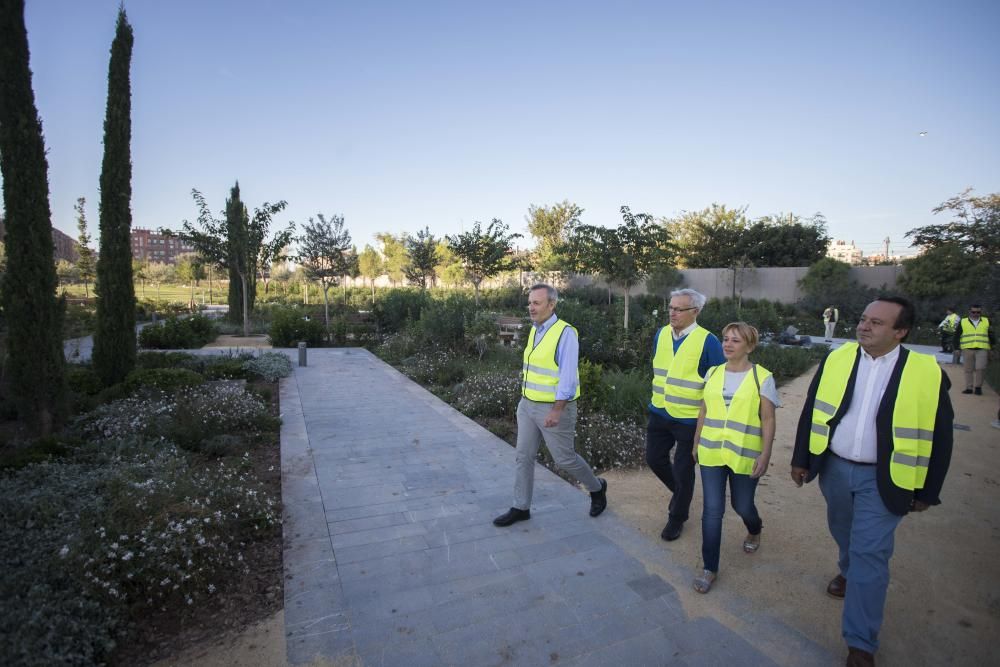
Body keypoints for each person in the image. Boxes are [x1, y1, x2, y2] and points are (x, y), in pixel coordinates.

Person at [791, 296, 954, 667]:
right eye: (863, 319)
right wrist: (802, 458)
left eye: (876, 323)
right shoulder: (837, 358)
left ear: (900, 331)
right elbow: (812, 407)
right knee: (843, 530)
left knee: (871, 553)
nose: (864, 326)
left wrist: (929, 490)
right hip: (834, 468)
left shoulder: (927, 372)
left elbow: (942, 435)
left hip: (886, 477)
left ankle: (860, 643)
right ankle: (848, 570)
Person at [493, 284, 607, 527]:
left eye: (536, 303)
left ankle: (597, 488)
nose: (531, 307)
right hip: (527, 405)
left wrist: (557, 409)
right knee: (523, 456)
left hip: (553, 409)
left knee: (564, 459)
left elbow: (567, 376)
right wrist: (523, 401)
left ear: (551, 305)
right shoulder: (536, 330)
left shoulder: (565, 333)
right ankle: (520, 506)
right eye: (530, 302)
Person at [691, 322, 779, 593]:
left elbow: (768, 418)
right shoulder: (713, 372)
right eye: (725, 339)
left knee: (743, 506)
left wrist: (765, 454)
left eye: (735, 341)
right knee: (712, 510)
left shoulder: (762, 377)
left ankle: (755, 528)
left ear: (750, 346)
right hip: (712, 452)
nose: (727, 344)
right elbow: (704, 411)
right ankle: (709, 568)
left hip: (744, 454)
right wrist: (696, 443)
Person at [646, 288, 725, 541]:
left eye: (679, 309)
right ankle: (682, 493)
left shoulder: (708, 341)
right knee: (654, 460)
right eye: (671, 307)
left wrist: (711, 422)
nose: (673, 313)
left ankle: (677, 517)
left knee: (683, 470)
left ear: (696, 312)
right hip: (659, 411)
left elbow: (718, 383)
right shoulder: (661, 334)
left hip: (690, 419)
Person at [955, 304, 994, 395]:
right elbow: (957, 336)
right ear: (969, 312)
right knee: (968, 369)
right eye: (973, 312)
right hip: (967, 349)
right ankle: (969, 388)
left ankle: (978, 387)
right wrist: (957, 348)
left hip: (982, 348)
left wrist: (993, 348)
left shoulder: (986, 321)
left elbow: (991, 335)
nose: (976, 314)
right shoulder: (963, 322)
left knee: (981, 368)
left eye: (978, 312)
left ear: (981, 312)